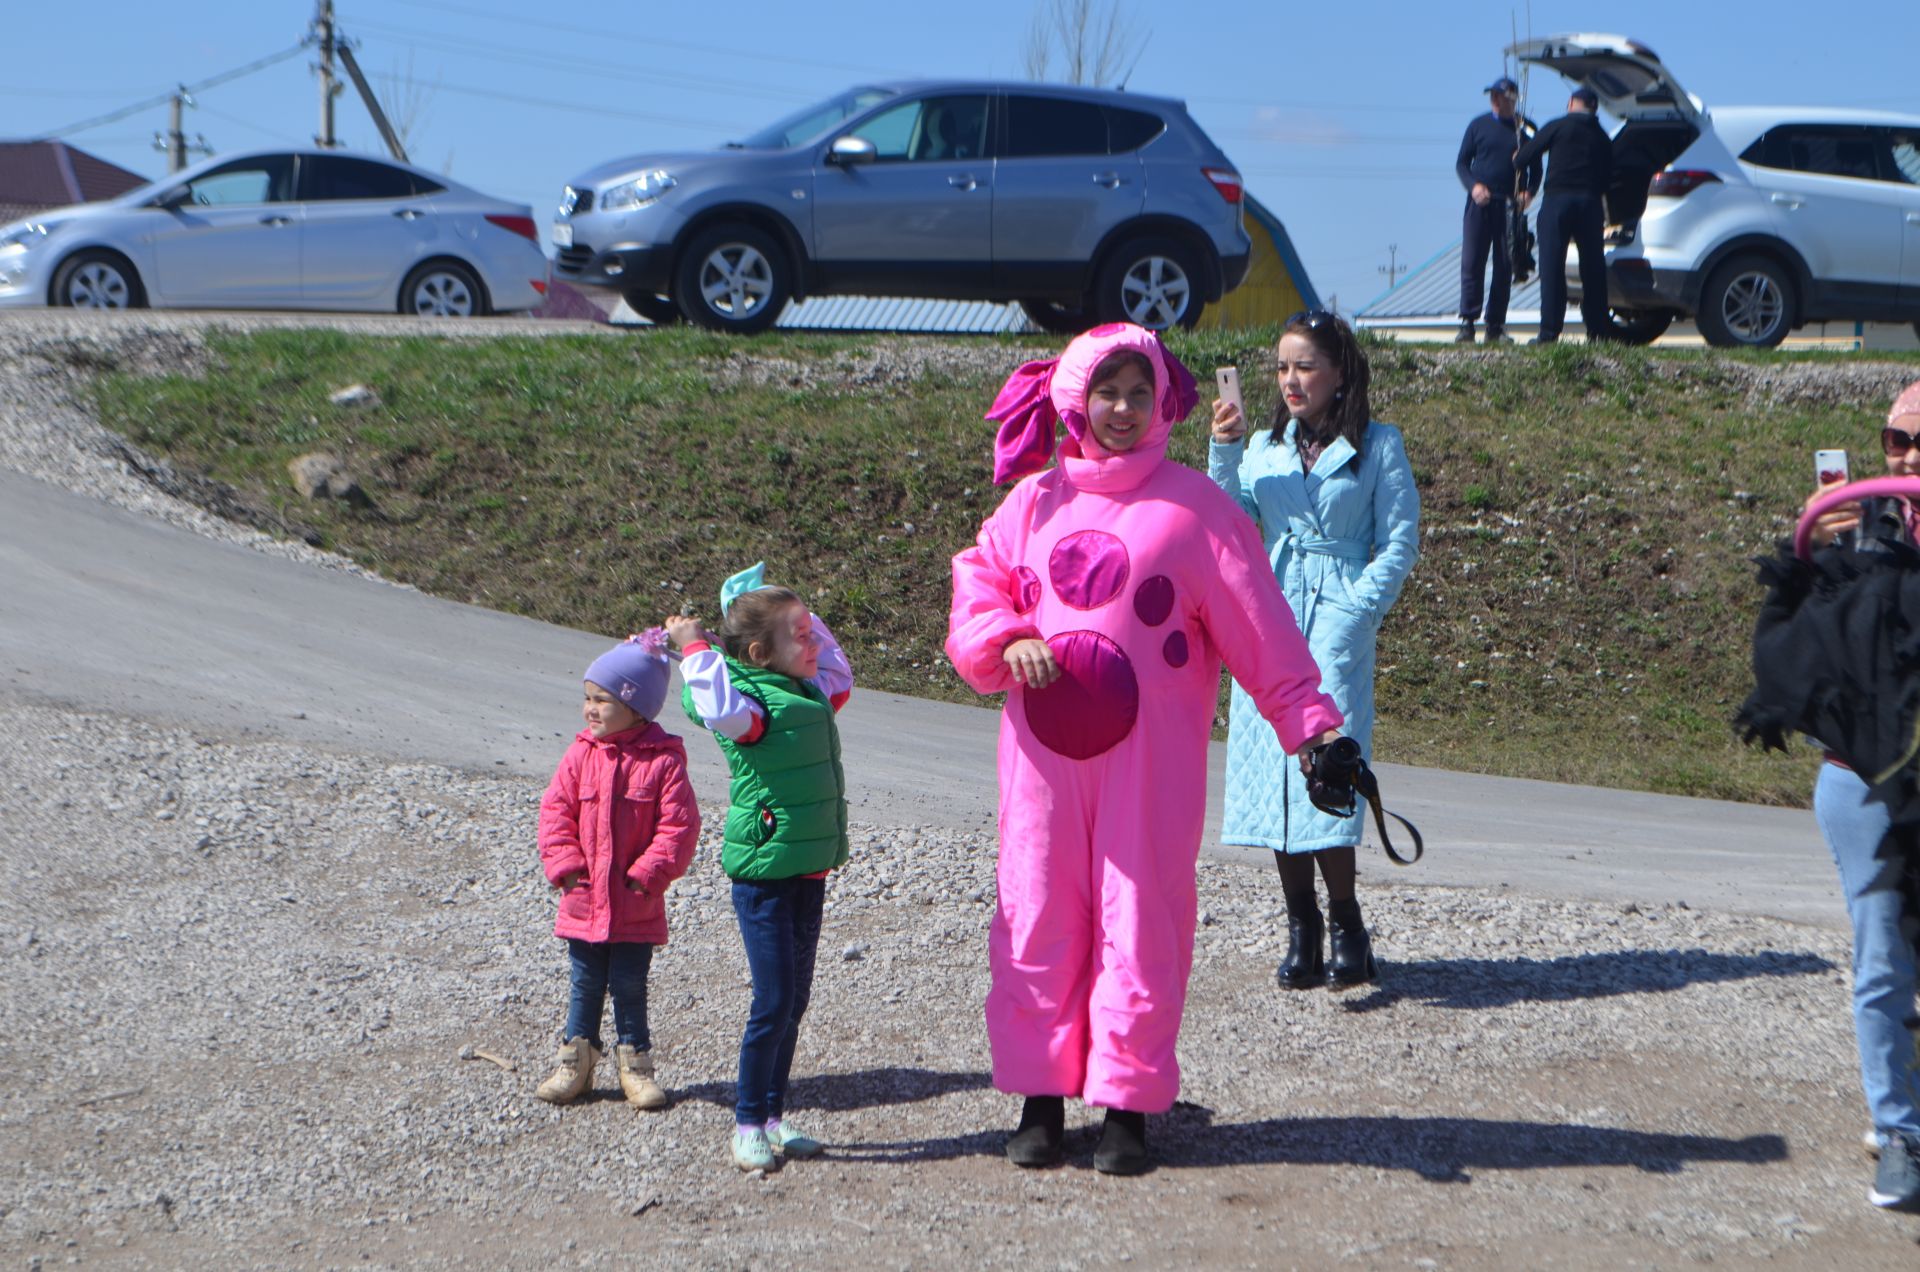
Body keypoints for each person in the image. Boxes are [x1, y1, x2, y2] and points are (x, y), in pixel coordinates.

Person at [947, 323, 1344, 1176]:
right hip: (1043, 767)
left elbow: (1262, 631)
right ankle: (1040, 1099)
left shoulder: (1196, 508)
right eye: (1107, 393)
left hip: (1150, 764)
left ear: (1162, 398)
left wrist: (1313, 731)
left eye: (1138, 392)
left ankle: (1126, 1102)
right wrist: (1006, 635)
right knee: (1037, 912)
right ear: (1076, 400)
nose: (1122, 410)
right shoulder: (1031, 504)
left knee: (1141, 919)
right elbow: (976, 585)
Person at [1208, 311, 1419, 991]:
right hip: (1268, 617)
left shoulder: (1378, 444)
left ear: (1338, 371)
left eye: (1304, 365)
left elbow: (1400, 540)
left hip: (1337, 614)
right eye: (1281, 367)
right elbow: (1228, 524)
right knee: (1275, 769)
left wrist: (1357, 613)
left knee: (1328, 766)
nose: (1290, 380)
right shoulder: (1265, 446)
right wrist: (1223, 452)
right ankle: (1301, 926)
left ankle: (1348, 922)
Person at [666, 565, 853, 1174]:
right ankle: (747, 1122)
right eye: (800, 636)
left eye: (811, 631)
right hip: (765, 876)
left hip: (806, 871)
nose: (816, 644)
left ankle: (775, 1117)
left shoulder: (808, 694)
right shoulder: (751, 711)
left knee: (794, 1000)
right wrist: (696, 644)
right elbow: (712, 702)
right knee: (772, 1000)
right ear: (757, 653)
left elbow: (840, 670)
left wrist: (788, 610)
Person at [1798, 379, 1920, 1212]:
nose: (1906, 458)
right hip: (1863, 778)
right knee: (1885, 959)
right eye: (1895, 442)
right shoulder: (1856, 527)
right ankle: (1900, 1131)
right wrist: (1811, 558)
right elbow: (1806, 658)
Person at [534, 631, 700, 1111]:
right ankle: (575, 1062)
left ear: (637, 706)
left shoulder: (664, 761)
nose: (590, 709)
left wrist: (650, 873)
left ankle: (636, 1067)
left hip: (634, 899)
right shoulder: (581, 753)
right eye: (587, 697)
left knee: (629, 983)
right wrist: (564, 864)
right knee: (584, 982)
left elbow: (679, 825)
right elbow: (555, 811)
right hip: (584, 896)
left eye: (602, 700)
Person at [1513, 85, 1614, 345]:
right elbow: (1610, 176)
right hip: (1590, 205)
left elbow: (1523, 158)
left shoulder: (1558, 126)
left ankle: (1549, 333)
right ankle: (1598, 332)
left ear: (1570, 103)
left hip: (1558, 202)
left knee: (1552, 267)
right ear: (1594, 108)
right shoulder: (1602, 136)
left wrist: (1518, 155)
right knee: (1593, 269)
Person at [1454, 76, 1538, 345]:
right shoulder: (1477, 126)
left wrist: (1528, 192)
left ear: (1512, 99)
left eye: (1501, 96)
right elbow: (1462, 164)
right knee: (1472, 262)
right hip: (1479, 203)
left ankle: (1495, 325)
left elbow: (1537, 168)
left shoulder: (1523, 131)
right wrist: (1473, 186)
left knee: (1504, 265)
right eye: (1493, 95)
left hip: (1509, 207)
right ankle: (1468, 322)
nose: (1496, 100)